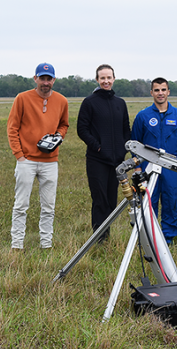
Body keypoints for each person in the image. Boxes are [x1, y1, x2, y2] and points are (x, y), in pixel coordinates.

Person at [7, 62, 69, 250]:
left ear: (54, 80)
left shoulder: (62, 101)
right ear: (35, 79)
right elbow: (12, 128)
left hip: (50, 161)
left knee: (48, 206)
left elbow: (64, 124)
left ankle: (46, 244)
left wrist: (58, 136)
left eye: (49, 79)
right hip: (27, 161)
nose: (45, 82)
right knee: (21, 205)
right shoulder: (22, 98)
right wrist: (19, 155)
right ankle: (17, 244)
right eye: (42, 78)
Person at [131, 77, 177, 245]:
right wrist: (137, 168)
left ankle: (168, 238)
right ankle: (150, 237)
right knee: (148, 202)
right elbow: (135, 143)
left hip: (171, 167)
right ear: (152, 92)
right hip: (147, 167)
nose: (160, 93)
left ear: (168, 92)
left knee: (171, 201)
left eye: (163, 90)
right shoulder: (143, 116)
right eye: (157, 90)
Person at [77, 64, 130, 243]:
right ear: (97, 80)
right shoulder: (89, 102)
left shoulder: (120, 103)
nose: (106, 81)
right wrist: (97, 146)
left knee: (111, 201)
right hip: (97, 160)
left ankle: (106, 235)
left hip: (116, 161)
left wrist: (124, 149)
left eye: (109, 78)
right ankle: (99, 239)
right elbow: (82, 129)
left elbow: (125, 129)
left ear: (114, 79)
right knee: (99, 199)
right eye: (102, 78)